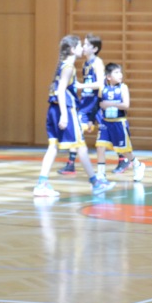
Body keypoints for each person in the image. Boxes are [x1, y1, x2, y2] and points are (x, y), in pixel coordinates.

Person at [34, 35, 116, 197]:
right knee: (81, 146)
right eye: (79, 46)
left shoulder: (64, 65)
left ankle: (41, 184)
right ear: (72, 50)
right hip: (65, 109)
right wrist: (64, 115)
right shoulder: (69, 67)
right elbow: (60, 91)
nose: (82, 48)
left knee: (53, 147)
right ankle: (95, 183)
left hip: (53, 109)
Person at [58, 34, 105, 176]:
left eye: (86, 45)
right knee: (77, 130)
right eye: (83, 44)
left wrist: (81, 86)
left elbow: (101, 84)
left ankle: (124, 158)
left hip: (97, 102)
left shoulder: (97, 63)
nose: (84, 47)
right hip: (86, 102)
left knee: (108, 132)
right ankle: (71, 163)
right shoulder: (85, 63)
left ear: (94, 49)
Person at [95, 63, 145, 182]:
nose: (120, 75)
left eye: (120, 72)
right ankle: (101, 174)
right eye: (116, 72)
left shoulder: (123, 87)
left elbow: (126, 105)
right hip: (105, 123)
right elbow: (98, 104)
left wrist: (110, 104)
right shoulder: (103, 88)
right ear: (108, 76)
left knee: (123, 150)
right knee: (100, 146)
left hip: (119, 123)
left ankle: (137, 165)